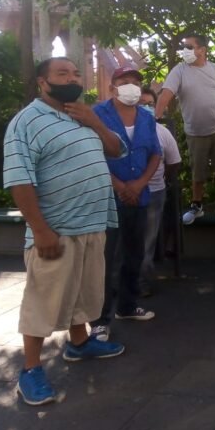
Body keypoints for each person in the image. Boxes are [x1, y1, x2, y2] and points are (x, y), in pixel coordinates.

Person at [3, 57, 126, 406]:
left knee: (85, 294)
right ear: (43, 82)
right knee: (43, 302)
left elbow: (116, 150)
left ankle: (80, 343)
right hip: (57, 229)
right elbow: (19, 178)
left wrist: (94, 122)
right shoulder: (26, 122)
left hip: (93, 223)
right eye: (62, 73)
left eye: (75, 73)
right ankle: (29, 370)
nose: (72, 78)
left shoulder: (84, 113)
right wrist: (40, 230)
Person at [90, 66, 160, 341]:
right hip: (109, 198)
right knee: (106, 260)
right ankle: (100, 319)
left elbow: (155, 153)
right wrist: (119, 186)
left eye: (135, 82)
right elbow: (92, 154)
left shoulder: (146, 117)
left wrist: (140, 184)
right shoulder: (97, 115)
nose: (131, 85)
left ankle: (128, 306)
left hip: (139, 197)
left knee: (134, 254)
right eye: (124, 81)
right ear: (112, 86)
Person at [155, 33, 215, 222]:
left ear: (202, 50)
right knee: (198, 171)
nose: (184, 50)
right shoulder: (179, 70)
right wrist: (154, 118)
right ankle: (196, 207)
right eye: (184, 47)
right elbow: (166, 93)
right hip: (195, 131)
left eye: (188, 46)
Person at [138, 87, 182, 296]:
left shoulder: (162, 132)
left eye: (148, 104)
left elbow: (174, 162)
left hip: (154, 193)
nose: (144, 108)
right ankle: (116, 283)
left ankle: (142, 282)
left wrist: (161, 178)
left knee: (147, 240)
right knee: (119, 240)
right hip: (120, 193)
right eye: (140, 104)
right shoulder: (116, 129)